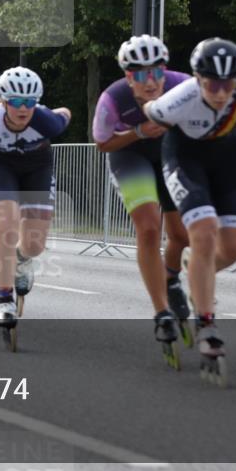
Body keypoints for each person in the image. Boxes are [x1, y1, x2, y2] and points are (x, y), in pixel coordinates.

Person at [144, 38, 236, 386]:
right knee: (202, 233)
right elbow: (151, 112)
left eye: (228, 84)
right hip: (185, 158)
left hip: (227, 159)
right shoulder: (178, 100)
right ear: (197, 79)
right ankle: (207, 324)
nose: (221, 93)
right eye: (211, 84)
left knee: (234, 247)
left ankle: (195, 272)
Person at [92, 35, 192, 357]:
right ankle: (162, 312)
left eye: (156, 72)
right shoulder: (112, 99)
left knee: (182, 235)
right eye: (139, 75)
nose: (150, 82)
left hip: (170, 153)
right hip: (130, 153)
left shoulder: (183, 85)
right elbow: (102, 143)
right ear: (127, 77)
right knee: (149, 228)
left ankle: (171, 277)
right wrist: (138, 132)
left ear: (165, 71)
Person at [0, 67, 71, 330]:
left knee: (35, 244)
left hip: (38, 166)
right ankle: (4, 300)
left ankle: (22, 260)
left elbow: (65, 114)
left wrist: (60, 111)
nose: (23, 108)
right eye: (15, 102)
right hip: (0, 164)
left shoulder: (48, 122)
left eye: (30, 102)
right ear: (3, 102)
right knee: (7, 226)